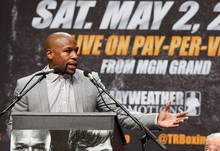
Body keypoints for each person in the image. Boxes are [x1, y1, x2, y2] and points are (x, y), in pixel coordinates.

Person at [8, 32, 188, 132]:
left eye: (76, 51)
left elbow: (119, 114)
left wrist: (155, 119)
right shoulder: (27, 85)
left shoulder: (89, 80)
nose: (75, 56)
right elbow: (14, 126)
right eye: (68, 51)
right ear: (50, 54)